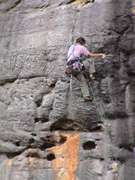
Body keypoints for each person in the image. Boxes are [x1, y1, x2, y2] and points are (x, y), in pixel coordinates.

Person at [65, 37, 105, 102]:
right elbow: (91, 55)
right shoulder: (82, 48)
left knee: (83, 80)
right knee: (91, 60)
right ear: (82, 43)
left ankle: (86, 96)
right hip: (76, 66)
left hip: (70, 68)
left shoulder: (71, 47)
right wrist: (100, 54)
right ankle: (91, 75)